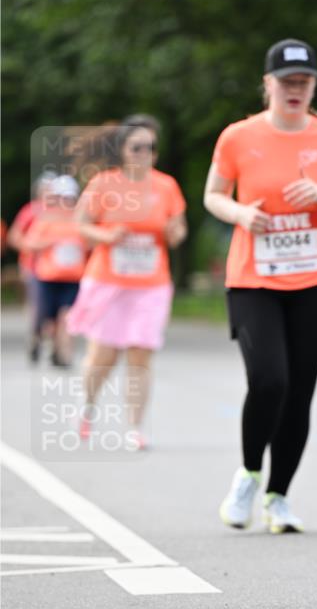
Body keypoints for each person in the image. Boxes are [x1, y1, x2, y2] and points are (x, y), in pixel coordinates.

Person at [204, 38, 317, 533]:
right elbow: (213, 195)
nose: (296, 89)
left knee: (299, 393)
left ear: (313, 85)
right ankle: (250, 473)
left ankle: (279, 497)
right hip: (253, 280)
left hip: (315, 283)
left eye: (305, 81)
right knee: (269, 380)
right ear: (268, 83)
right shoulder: (237, 136)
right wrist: (241, 213)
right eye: (286, 81)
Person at [67, 114, 188, 449]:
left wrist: (173, 232)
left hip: (150, 284)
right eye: (136, 147)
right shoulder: (104, 183)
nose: (143, 153)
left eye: (150, 148)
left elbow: (178, 228)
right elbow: (81, 225)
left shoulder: (166, 186)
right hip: (108, 281)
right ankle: (87, 407)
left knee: (140, 355)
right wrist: (106, 234)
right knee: (103, 355)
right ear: (122, 150)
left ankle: (134, 427)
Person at [27, 175, 87, 367]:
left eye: (70, 198)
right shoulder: (46, 219)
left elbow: (91, 244)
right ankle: (52, 347)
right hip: (48, 277)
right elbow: (30, 243)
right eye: (63, 198)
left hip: (73, 278)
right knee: (49, 321)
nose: (67, 202)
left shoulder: (81, 220)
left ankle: (64, 355)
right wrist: (50, 243)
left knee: (67, 316)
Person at [7, 171, 56, 362]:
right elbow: (14, 237)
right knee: (38, 306)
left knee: (57, 307)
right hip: (33, 267)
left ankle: (54, 343)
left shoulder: (64, 213)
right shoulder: (30, 211)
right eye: (47, 190)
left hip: (59, 270)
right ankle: (35, 338)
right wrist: (33, 246)